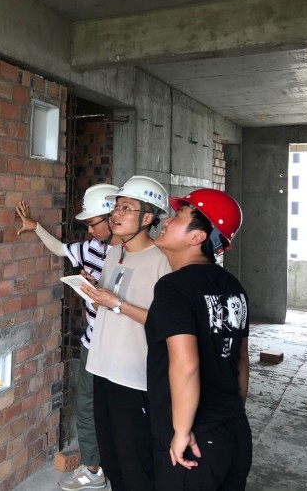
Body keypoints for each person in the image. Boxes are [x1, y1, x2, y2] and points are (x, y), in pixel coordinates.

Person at [145, 188, 251, 490]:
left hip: (195, 441)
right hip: (234, 431)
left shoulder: (173, 287)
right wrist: (231, 414)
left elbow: (186, 364)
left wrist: (181, 431)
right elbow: (241, 361)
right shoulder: (233, 286)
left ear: (197, 237)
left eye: (178, 216)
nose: (166, 221)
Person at [16, 183, 119, 490]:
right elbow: (61, 249)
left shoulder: (129, 255)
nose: (90, 230)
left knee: (118, 409)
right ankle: (93, 469)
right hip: (92, 343)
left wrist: (101, 291)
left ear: (112, 218)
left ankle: (124, 467)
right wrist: (36, 227)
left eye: (93, 223)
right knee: (86, 405)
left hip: (120, 348)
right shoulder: (91, 248)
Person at [80, 175, 172, 491]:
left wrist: (116, 303)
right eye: (116, 207)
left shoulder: (162, 261)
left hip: (134, 378)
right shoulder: (114, 252)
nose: (116, 215)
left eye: (126, 208)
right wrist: (94, 291)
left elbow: (166, 323)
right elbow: (108, 300)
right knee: (112, 460)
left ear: (147, 218)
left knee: (136, 464)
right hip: (102, 367)